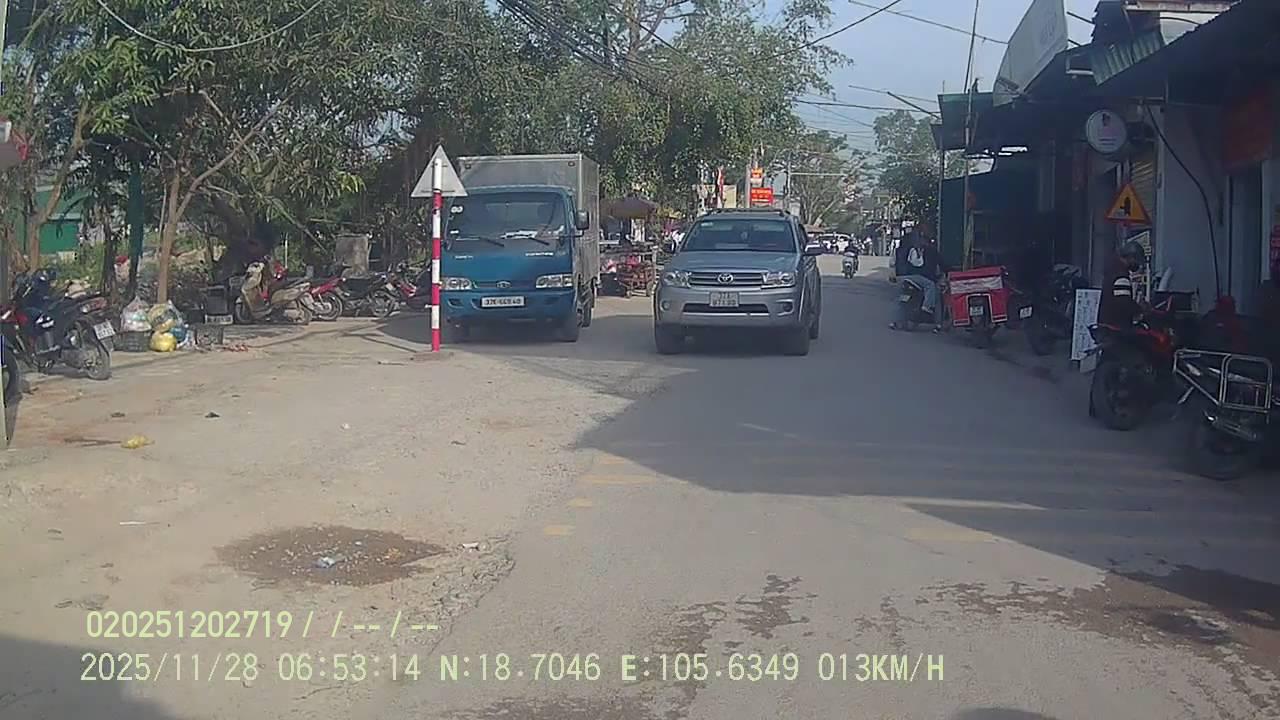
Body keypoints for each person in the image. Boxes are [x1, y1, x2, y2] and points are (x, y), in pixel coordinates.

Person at [891, 230, 943, 327]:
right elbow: (921, 264)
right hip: (916, 277)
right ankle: (927, 308)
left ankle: (896, 321)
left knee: (899, 298)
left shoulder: (900, 250)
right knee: (931, 287)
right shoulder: (924, 250)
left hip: (903, 278)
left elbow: (893, 263)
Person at [1099, 239, 1147, 327]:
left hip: (1106, 324)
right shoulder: (1121, 275)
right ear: (1130, 257)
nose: (1138, 265)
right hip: (1116, 326)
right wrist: (1140, 309)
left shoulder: (1112, 270)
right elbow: (1124, 301)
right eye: (1137, 260)